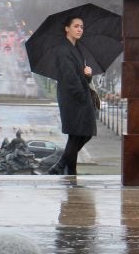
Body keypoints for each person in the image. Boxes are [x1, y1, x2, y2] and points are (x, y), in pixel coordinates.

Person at [48, 16, 97, 175]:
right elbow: (70, 77)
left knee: (76, 135)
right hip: (73, 98)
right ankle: (60, 165)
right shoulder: (63, 50)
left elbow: (79, 75)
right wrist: (82, 95)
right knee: (81, 134)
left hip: (78, 96)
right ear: (67, 28)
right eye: (76, 26)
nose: (80, 29)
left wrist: (88, 75)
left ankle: (70, 171)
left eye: (81, 27)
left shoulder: (76, 48)